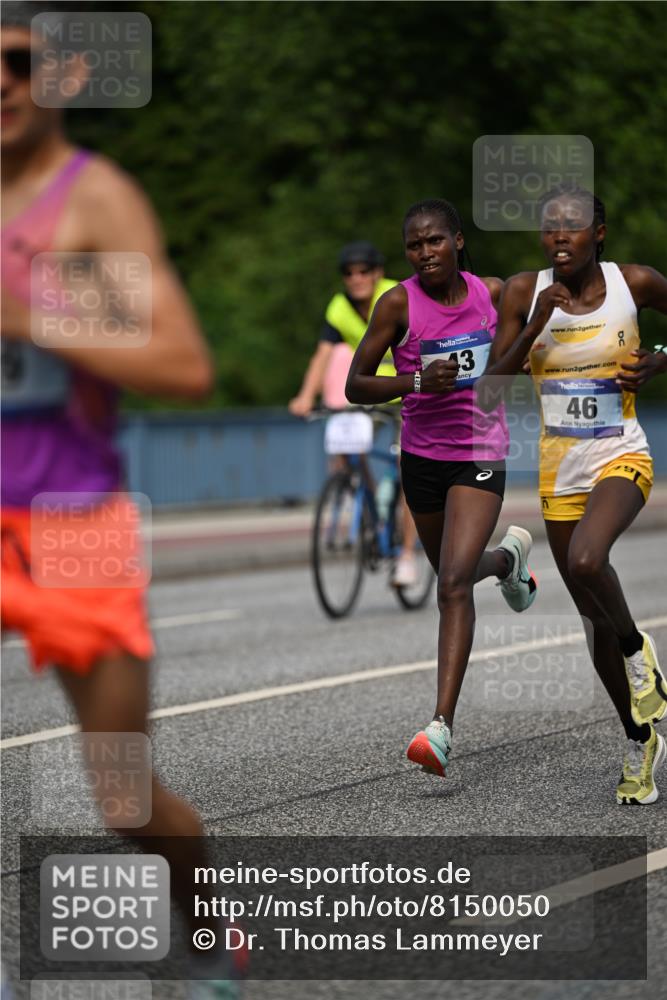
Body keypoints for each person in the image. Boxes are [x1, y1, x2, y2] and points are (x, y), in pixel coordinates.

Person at [0, 6, 243, 995]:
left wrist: (33, 312)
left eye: (17, 64)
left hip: (73, 521)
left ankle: (208, 933)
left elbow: (183, 364)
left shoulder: (93, 202)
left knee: (124, 795)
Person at [478, 184, 667, 805]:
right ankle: (639, 740)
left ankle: (639, 650)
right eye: (549, 226)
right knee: (591, 618)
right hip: (560, 474)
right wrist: (535, 323)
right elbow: (487, 395)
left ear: (599, 234)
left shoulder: (633, 283)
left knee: (589, 560)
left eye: (573, 225)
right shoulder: (520, 292)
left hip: (621, 453)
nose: (559, 235)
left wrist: (660, 358)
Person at [346, 199, 537, 778]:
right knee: (451, 568)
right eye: (414, 245)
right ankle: (508, 560)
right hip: (421, 456)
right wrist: (413, 382)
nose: (424, 253)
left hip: (480, 451)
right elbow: (356, 384)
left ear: (457, 240)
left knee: (452, 584)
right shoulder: (397, 303)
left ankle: (440, 727)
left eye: (434, 241)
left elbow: (519, 355)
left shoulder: (493, 294)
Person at [289, 241, 419, 585]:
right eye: (349, 273)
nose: (356, 278)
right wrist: (305, 395)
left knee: (410, 472)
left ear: (377, 273)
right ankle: (367, 506)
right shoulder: (338, 308)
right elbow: (322, 355)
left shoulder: (397, 295)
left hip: (407, 392)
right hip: (368, 394)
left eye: (364, 271)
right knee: (348, 451)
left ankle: (406, 555)